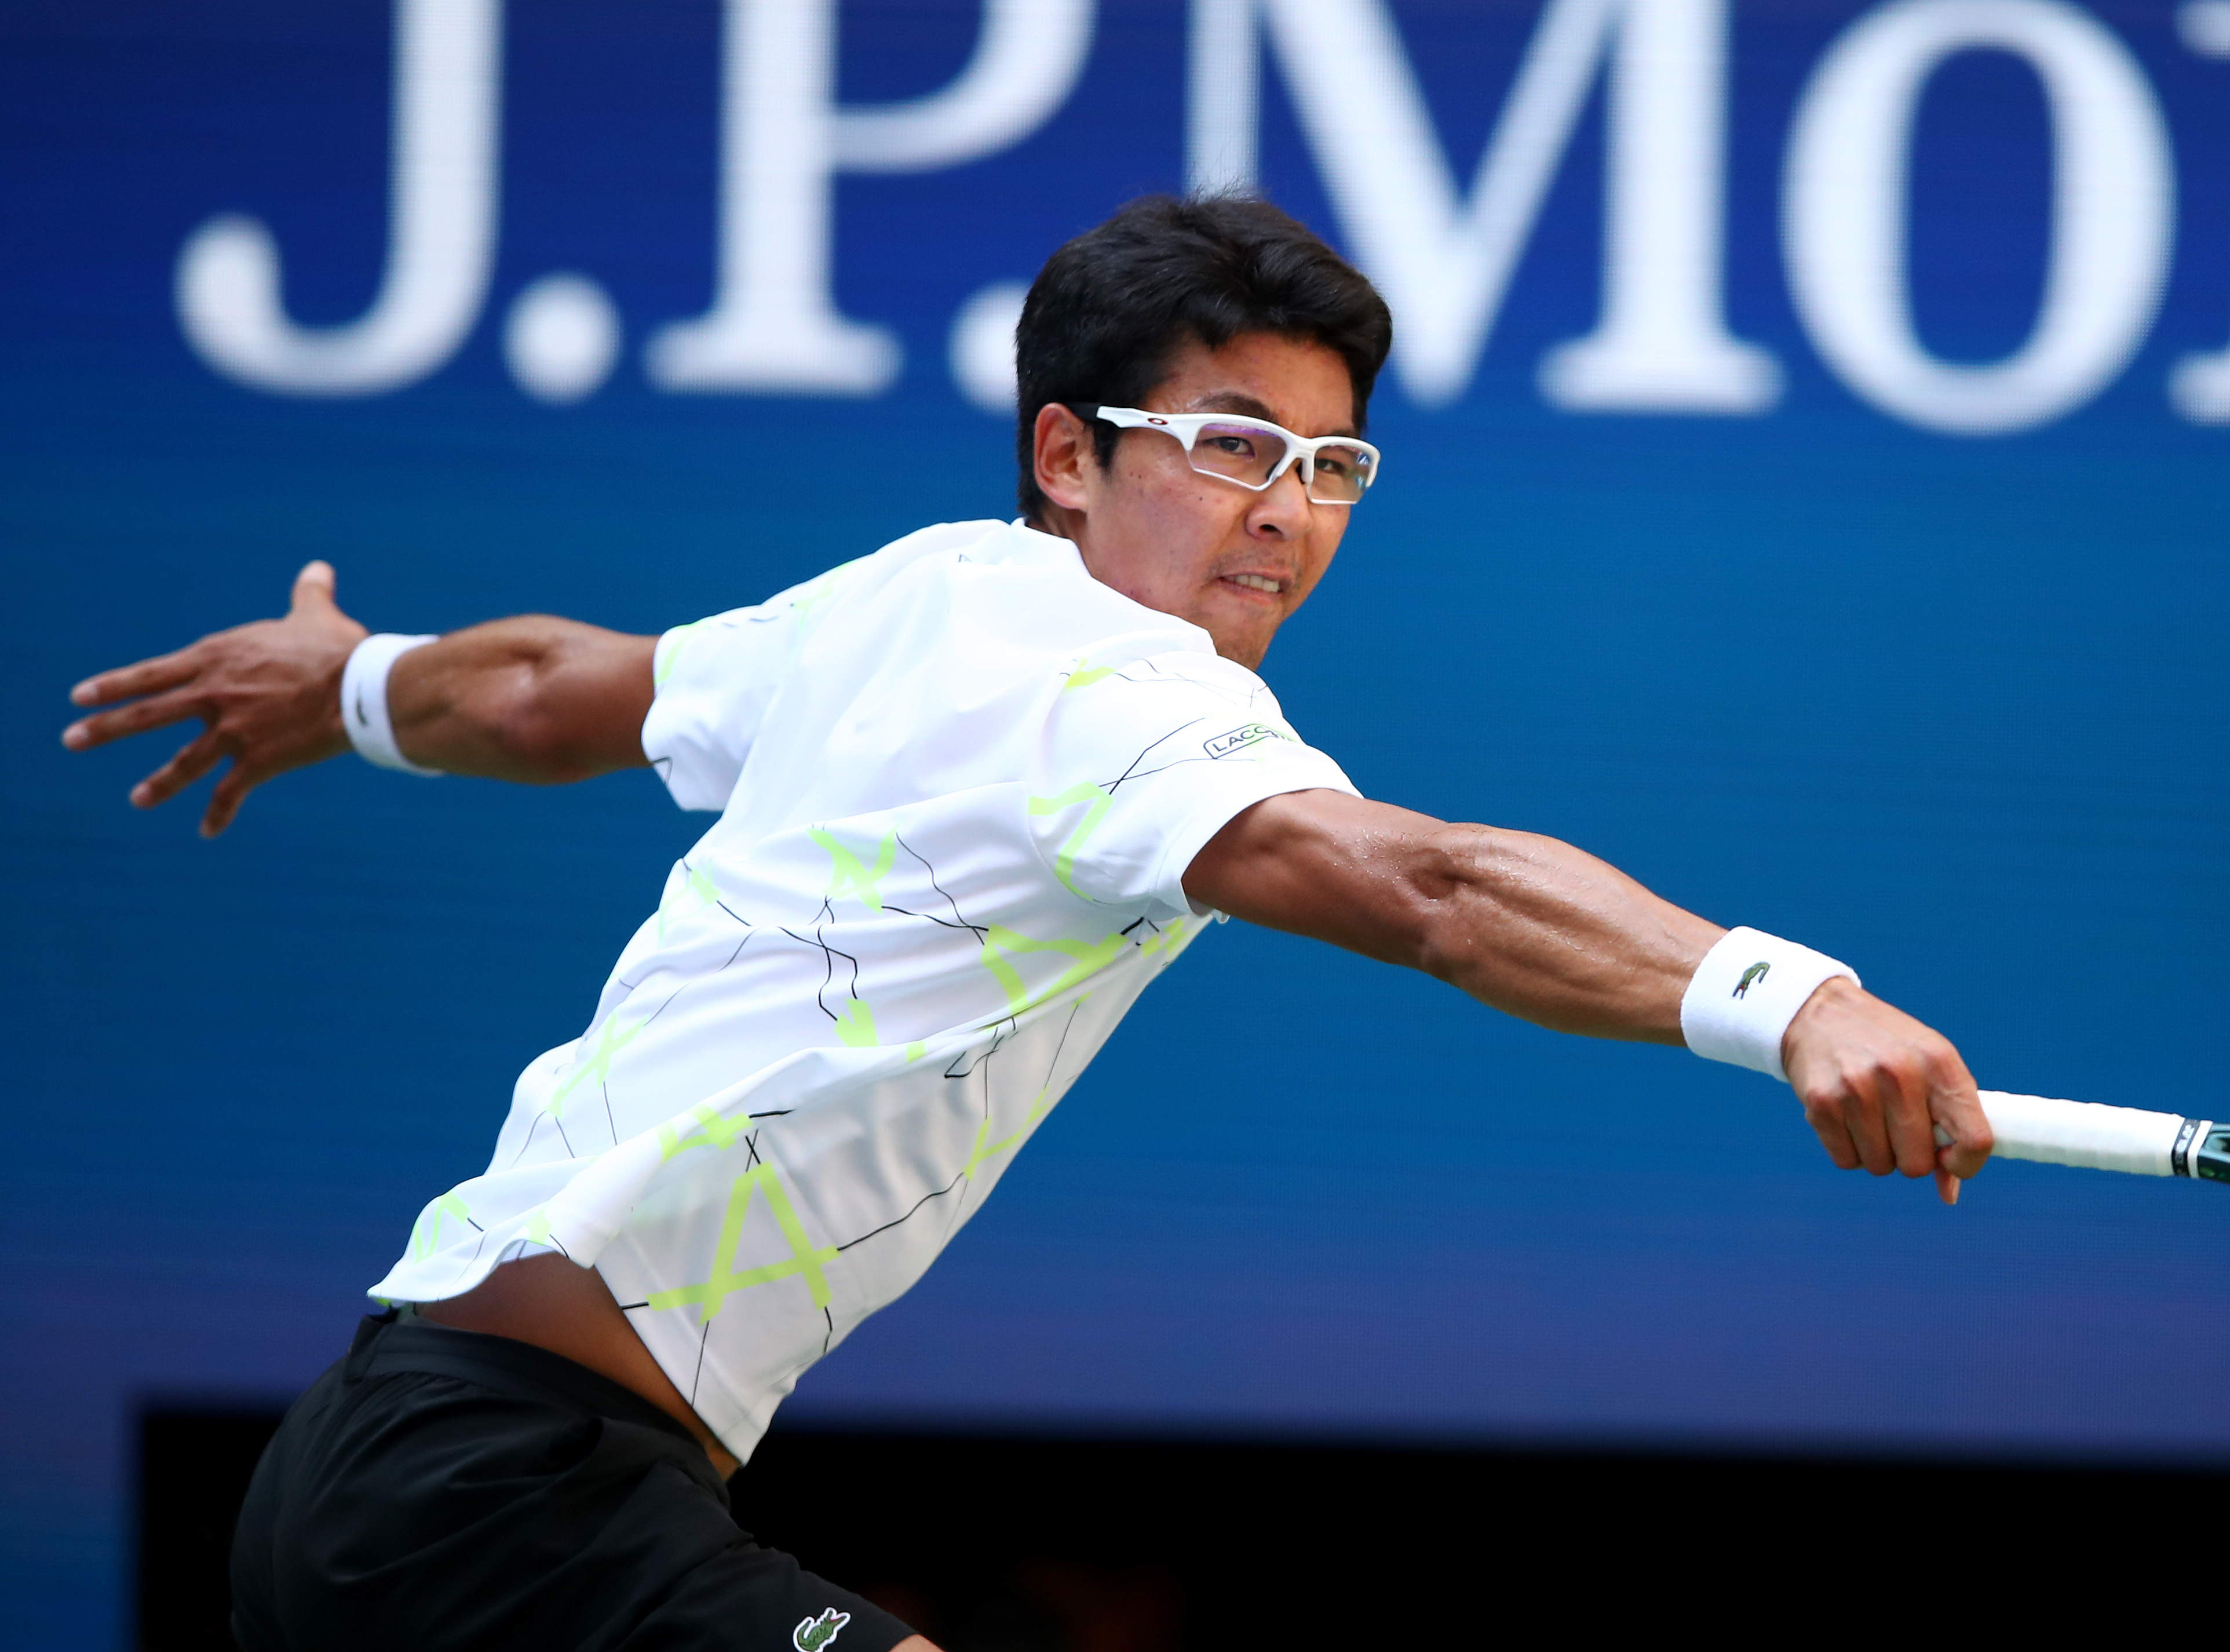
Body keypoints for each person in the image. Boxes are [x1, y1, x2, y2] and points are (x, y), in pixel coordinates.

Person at [64, 193, 1994, 1652]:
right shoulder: (1116, 684)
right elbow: (1429, 888)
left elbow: (553, 692)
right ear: (1071, 455)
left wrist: (365, 683)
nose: (1292, 513)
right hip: (487, 1492)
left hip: (405, 1466)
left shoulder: (917, 598)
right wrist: (1782, 994)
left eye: (1332, 468)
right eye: (1234, 442)